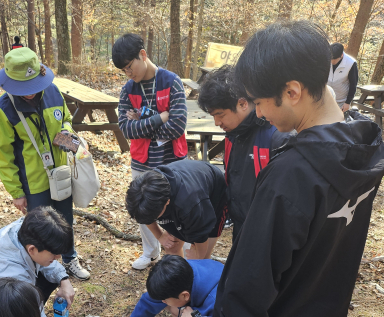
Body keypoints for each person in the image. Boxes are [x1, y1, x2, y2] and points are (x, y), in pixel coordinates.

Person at [191, 21, 384, 317]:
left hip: (267, 314)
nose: (259, 112)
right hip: (314, 304)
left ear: (293, 90)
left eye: (260, 102)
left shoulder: (294, 172)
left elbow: (260, 263)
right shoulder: (361, 144)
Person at [0, 47, 90, 280]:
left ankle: (69, 258)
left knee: (65, 220)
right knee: (39, 227)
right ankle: (42, 268)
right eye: (23, 89)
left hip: (60, 172)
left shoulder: (54, 92)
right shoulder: (4, 109)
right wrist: (16, 191)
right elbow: (4, 155)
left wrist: (65, 135)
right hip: (33, 181)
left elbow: (66, 119)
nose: (30, 94)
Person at [112, 33, 188, 270]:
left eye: (129, 66)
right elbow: (126, 129)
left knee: (176, 206)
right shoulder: (128, 90)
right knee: (143, 205)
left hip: (173, 160)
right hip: (142, 161)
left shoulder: (171, 81)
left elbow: (177, 125)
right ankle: (150, 251)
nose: (128, 73)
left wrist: (143, 126)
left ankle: (180, 250)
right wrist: (159, 118)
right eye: (124, 70)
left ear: (142, 55)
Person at [197, 65, 290, 239]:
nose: (217, 122)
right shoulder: (233, 134)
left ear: (242, 103)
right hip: (240, 225)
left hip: (268, 232)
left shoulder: (276, 136)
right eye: (213, 116)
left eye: (220, 114)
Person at [125, 159, 227, 260]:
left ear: (167, 202)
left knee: (202, 258)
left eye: (154, 217)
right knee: (172, 246)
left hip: (214, 192)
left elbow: (202, 236)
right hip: (183, 190)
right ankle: (179, 274)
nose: (150, 219)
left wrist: (198, 257)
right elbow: (144, 217)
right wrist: (159, 236)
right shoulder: (144, 191)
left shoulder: (190, 205)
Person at [327, 43, 358, 112]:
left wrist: (348, 102)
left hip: (341, 101)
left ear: (341, 55)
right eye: (331, 59)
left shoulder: (351, 63)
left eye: (334, 59)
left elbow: (353, 84)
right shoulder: (325, 58)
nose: (332, 61)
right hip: (326, 99)